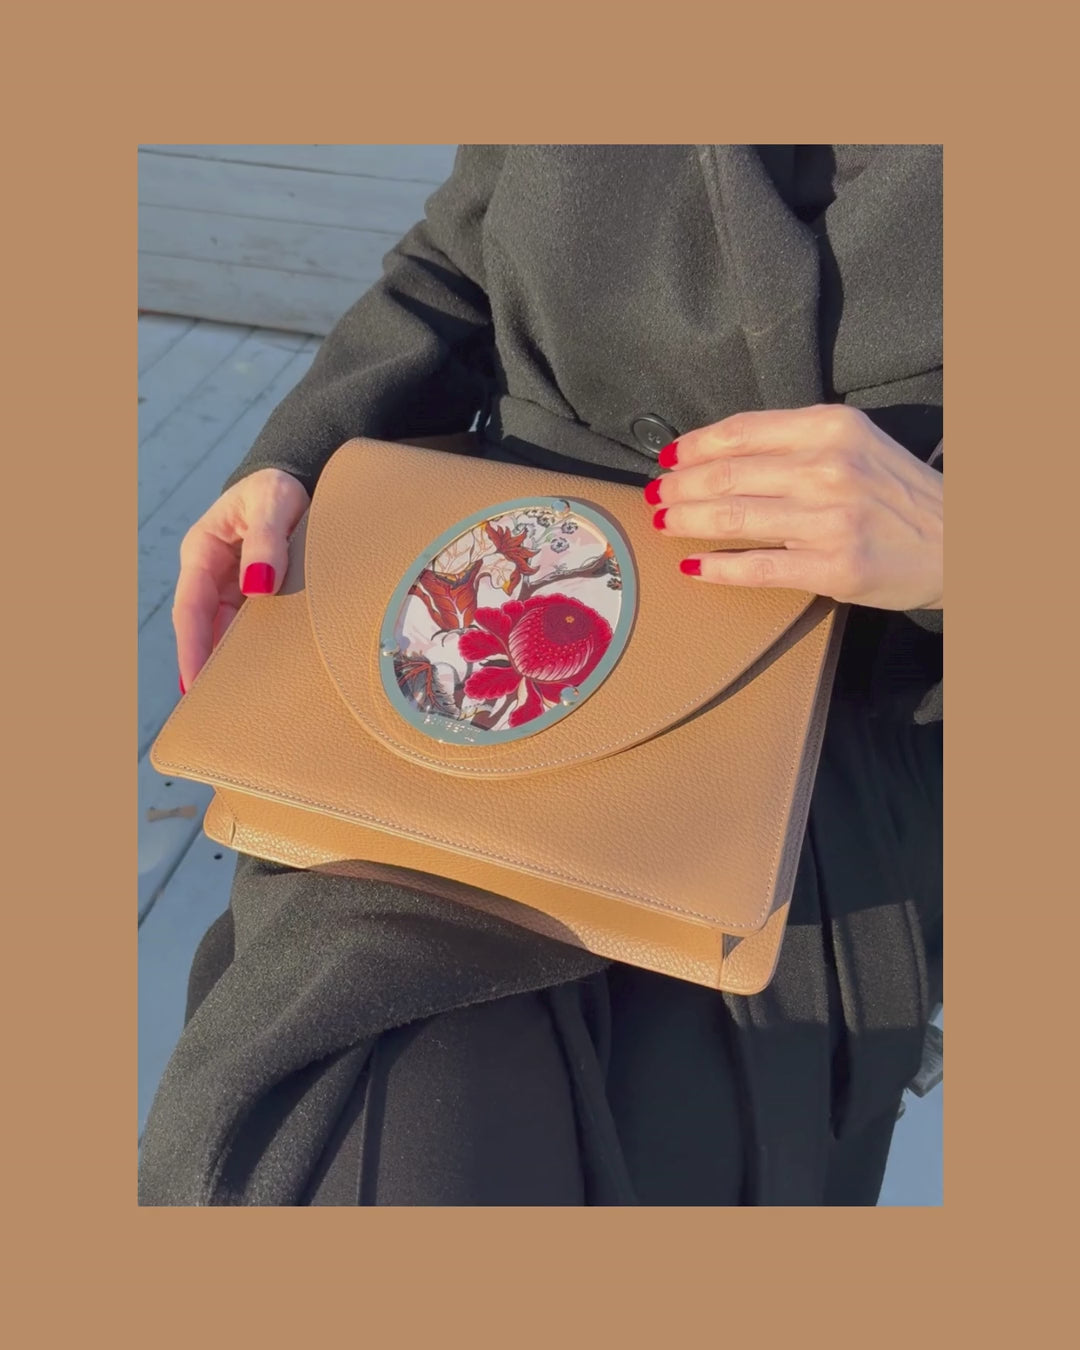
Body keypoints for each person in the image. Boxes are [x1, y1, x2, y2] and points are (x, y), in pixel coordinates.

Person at [139, 144, 943, 1206]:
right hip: (474, 651)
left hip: (825, 756)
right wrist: (299, 457)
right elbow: (455, 262)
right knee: (331, 1129)